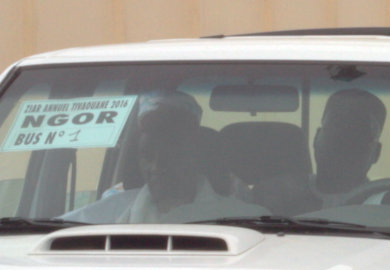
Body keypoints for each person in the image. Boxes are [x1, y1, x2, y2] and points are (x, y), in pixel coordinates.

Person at [68, 94, 260, 224]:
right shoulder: (105, 214)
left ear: (196, 153)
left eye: (171, 153)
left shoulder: (247, 219)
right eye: (147, 155)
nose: (157, 166)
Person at [310, 87, 390, 206]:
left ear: (376, 153)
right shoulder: (279, 197)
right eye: (336, 126)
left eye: (358, 132)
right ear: (316, 137)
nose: (343, 138)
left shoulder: (386, 207)